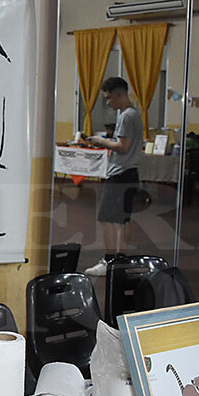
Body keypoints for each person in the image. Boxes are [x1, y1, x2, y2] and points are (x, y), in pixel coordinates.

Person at [83, 77, 143, 277]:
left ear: (119, 94)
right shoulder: (135, 114)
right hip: (130, 173)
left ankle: (109, 261)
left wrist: (101, 141)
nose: (108, 103)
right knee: (123, 220)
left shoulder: (126, 116)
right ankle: (120, 260)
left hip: (120, 174)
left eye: (109, 98)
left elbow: (123, 147)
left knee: (105, 218)